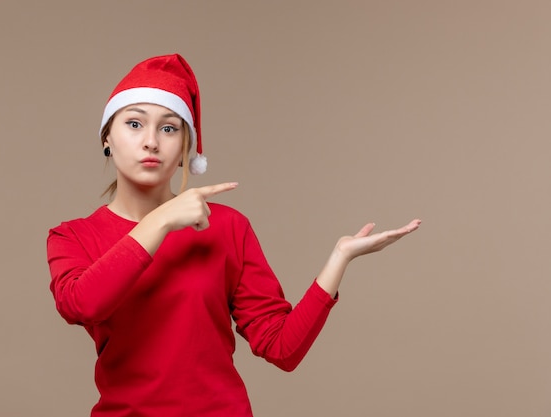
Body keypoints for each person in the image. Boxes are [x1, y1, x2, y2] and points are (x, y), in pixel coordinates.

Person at [46, 53, 421, 417]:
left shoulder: (224, 226)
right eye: (134, 123)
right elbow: (82, 305)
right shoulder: (73, 237)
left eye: (169, 128)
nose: (151, 142)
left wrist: (340, 257)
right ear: (106, 138)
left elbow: (281, 349)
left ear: (184, 149)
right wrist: (160, 221)